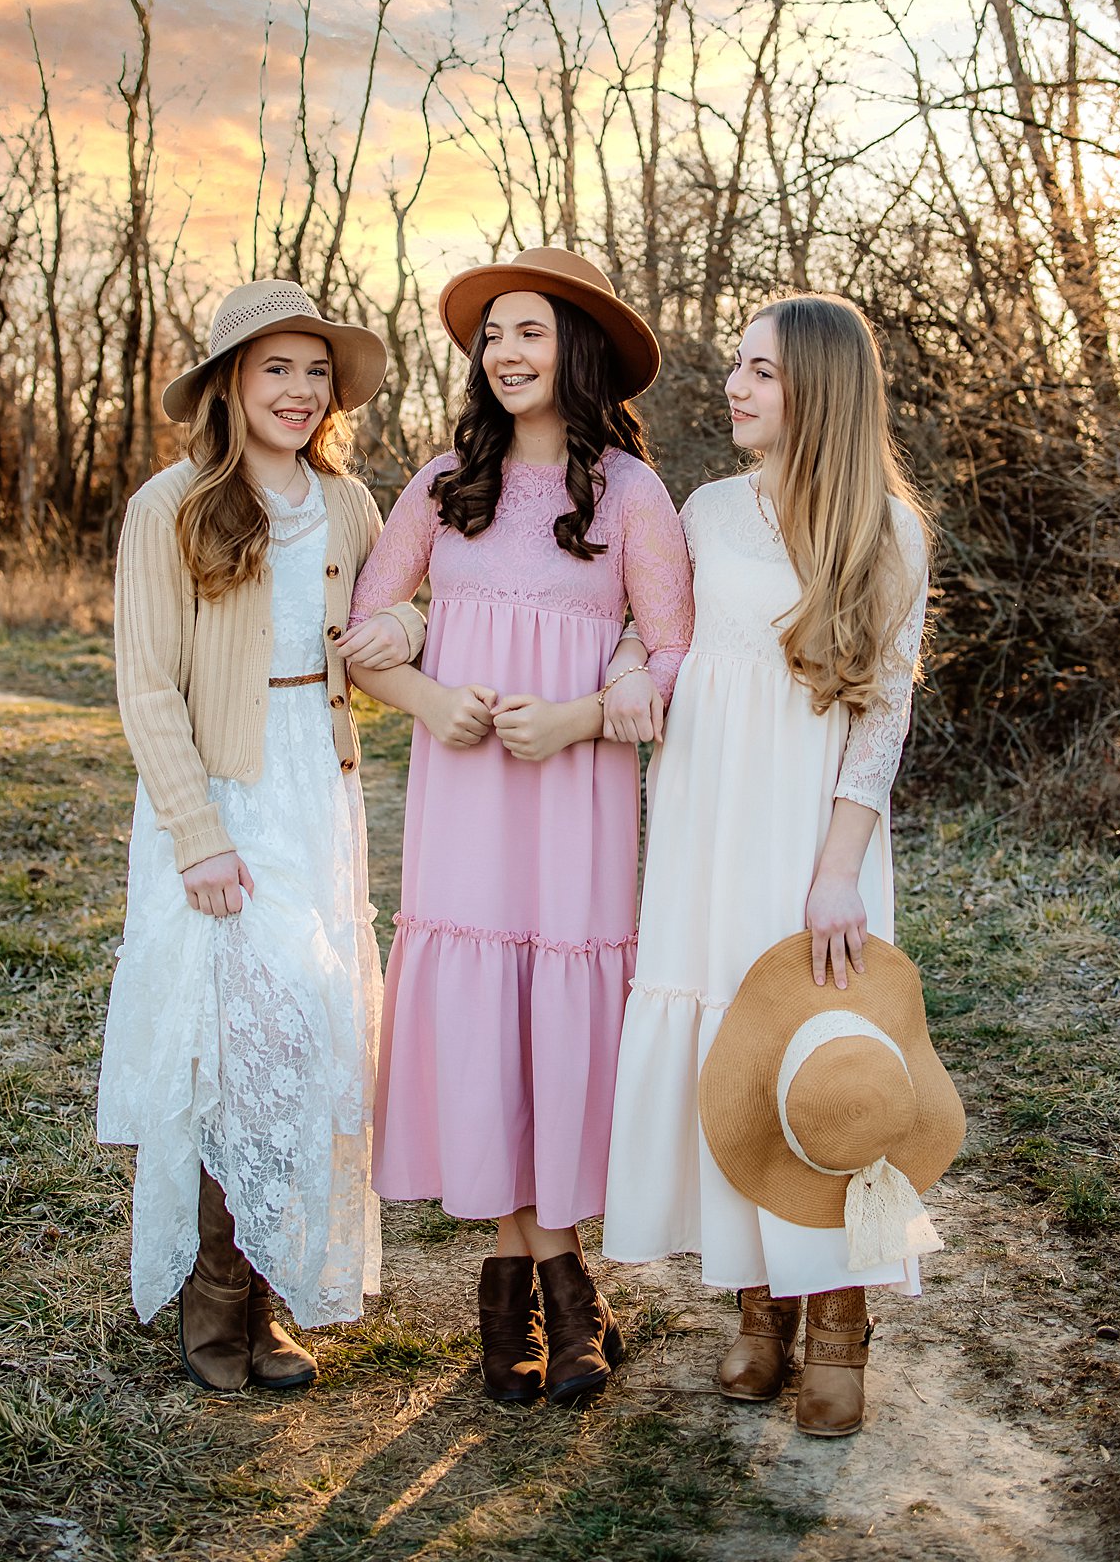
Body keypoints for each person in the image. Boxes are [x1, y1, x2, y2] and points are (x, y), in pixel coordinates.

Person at [342, 247, 693, 1406]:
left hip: (575, 792)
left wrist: (589, 714)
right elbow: (365, 627)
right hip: (467, 794)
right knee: (486, 1005)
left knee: (561, 1003)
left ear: (575, 348)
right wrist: (431, 695)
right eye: (492, 335)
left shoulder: (635, 494)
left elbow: (676, 653)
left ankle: (523, 1282)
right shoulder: (445, 484)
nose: (506, 353)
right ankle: (553, 1284)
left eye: (529, 331)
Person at [602, 293, 931, 1437]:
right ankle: (759, 1306)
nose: (733, 387)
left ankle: (840, 1316)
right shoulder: (700, 507)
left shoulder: (890, 532)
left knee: (819, 1055)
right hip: (704, 819)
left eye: (761, 373)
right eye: (737, 367)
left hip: (810, 834)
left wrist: (838, 867)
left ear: (822, 392)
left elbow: (881, 722)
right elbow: (662, 633)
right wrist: (636, 669)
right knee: (732, 1054)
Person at [97, 279, 423, 1392]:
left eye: (315, 370)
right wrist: (197, 833)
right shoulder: (173, 503)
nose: (297, 389)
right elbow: (145, 686)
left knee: (303, 1034)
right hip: (221, 796)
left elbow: (406, 606)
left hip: (315, 791)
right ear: (231, 381)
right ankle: (211, 1291)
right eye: (275, 367)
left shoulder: (345, 503)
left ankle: (269, 1282)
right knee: (222, 1044)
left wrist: (400, 622)